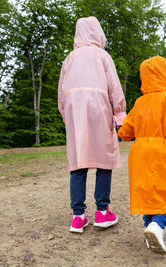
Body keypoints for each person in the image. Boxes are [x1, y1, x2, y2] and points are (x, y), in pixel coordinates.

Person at [117, 56, 166, 254]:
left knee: (148, 193)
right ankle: (157, 226)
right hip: (163, 153)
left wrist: (120, 127)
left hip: (140, 154)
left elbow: (126, 132)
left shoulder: (140, 102)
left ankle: (149, 227)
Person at [58, 16, 126, 233]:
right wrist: (120, 114)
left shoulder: (69, 59)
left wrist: (66, 115)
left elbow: (61, 92)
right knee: (104, 160)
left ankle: (78, 217)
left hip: (74, 112)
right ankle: (102, 212)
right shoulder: (102, 56)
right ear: (98, 33)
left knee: (78, 162)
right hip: (99, 109)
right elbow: (114, 87)